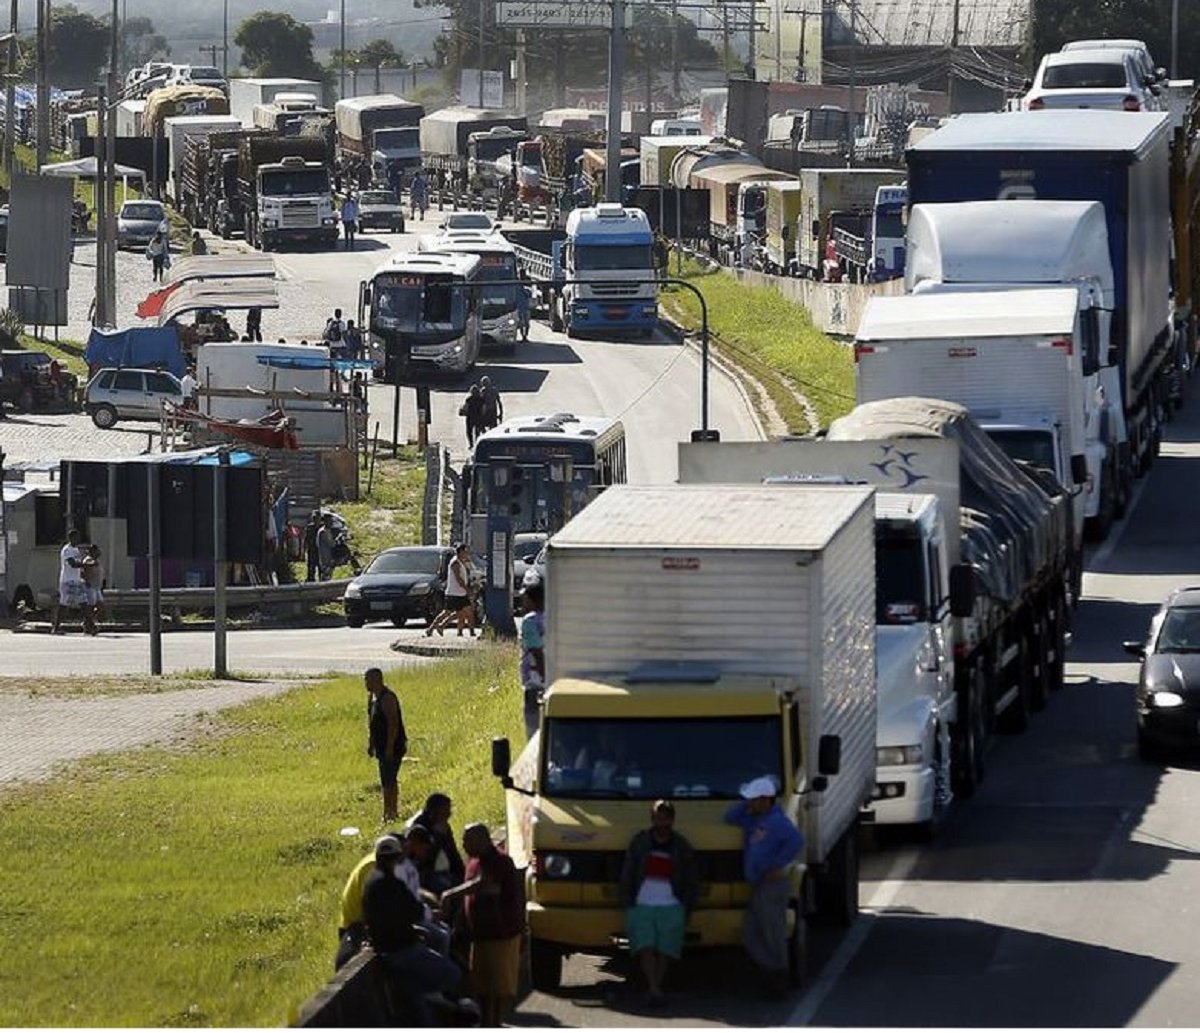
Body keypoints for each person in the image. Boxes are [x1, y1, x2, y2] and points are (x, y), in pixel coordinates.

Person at [362, 834, 463, 1026]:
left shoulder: (371, 883)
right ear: (398, 857)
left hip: (385, 949)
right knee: (452, 974)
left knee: (416, 1001)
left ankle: (423, 998)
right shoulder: (393, 884)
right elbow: (413, 911)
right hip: (402, 948)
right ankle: (431, 994)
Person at [724, 775, 804, 998]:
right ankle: (775, 970)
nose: (749, 803)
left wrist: (779, 865)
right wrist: (746, 803)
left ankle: (780, 977)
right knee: (751, 934)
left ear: (766, 800)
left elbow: (796, 841)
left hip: (773, 884)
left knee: (773, 933)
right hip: (759, 885)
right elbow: (729, 816)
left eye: (754, 799)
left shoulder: (778, 822)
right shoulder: (754, 819)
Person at [440, 823, 524, 1028]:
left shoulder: (499, 861)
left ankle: (493, 1023)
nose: (463, 843)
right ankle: (488, 1023)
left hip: (500, 933)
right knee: (483, 986)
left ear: (481, 840)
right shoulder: (474, 861)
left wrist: (450, 894)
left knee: (497, 987)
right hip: (481, 934)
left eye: (467, 839)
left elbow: (486, 885)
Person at [619, 800, 700, 1008]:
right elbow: (628, 871)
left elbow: (691, 877)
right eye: (658, 818)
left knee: (665, 948)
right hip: (642, 902)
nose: (661, 822)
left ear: (672, 820)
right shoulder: (640, 842)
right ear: (652, 819)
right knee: (645, 946)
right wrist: (627, 899)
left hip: (671, 904)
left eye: (666, 818)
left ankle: (656, 987)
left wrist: (687, 904)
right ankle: (654, 988)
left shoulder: (681, 845)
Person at [366, 667, 407, 823]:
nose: (366, 683)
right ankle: (387, 811)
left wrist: (390, 746)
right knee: (384, 779)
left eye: (369, 680)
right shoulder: (372, 698)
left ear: (378, 680)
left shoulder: (387, 698)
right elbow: (371, 721)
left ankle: (392, 811)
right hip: (381, 745)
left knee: (390, 778)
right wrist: (371, 743)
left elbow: (393, 724)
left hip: (393, 745)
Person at [409, 793, 466, 895]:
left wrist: (463, 875)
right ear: (433, 812)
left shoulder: (442, 825)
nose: (449, 814)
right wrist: (438, 837)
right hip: (419, 874)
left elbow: (453, 854)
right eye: (446, 811)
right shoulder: (417, 829)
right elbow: (424, 859)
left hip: (436, 870)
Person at [427, 544, 476, 638]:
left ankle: (462, 632)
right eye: (465, 552)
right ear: (461, 552)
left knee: (465, 613)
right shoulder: (455, 563)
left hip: (461, 593)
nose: (467, 554)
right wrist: (468, 590)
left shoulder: (462, 562)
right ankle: (431, 628)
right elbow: (459, 579)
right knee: (447, 612)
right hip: (454, 593)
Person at [520, 581, 546, 740]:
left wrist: (543, 672)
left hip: (534, 680)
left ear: (533, 600)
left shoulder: (529, 621)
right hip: (552, 678)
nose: (523, 602)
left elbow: (536, 650)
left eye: (526, 598)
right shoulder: (551, 617)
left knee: (533, 729)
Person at [50, 529, 87, 635]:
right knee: (64, 604)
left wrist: (82, 574)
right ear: (70, 538)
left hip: (76, 580)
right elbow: (72, 564)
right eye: (75, 537)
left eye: (78, 537)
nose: (78, 539)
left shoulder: (76, 550)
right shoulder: (67, 550)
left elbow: (78, 566)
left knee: (83, 602)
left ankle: (89, 625)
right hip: (67, 581)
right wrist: (86, 565)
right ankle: (56, 627)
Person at [80, 544, 105, 636]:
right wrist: (86, 581)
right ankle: (90, 625)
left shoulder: (96, 560)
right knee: (90, 607)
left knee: (100, 606)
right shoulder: (88, 560)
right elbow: (83, 572)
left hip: (97, 586)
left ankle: (87, 622)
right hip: (90, 587)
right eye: (96, 551)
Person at [316, 513, 336, 580]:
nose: (331, 523)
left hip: (329, 557)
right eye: (330, 521)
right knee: (326, 576)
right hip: (325, 558)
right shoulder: (323, 532)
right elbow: (331, 544)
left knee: (329, 575)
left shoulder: (328, 531)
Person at [304, 509, 321, 582]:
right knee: (311, 567)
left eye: (317, 518)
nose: (316, 520)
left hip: (320, 551)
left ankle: (322, 580)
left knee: (321, 567)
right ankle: (311, 579)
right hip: (312, 550)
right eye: (314, 518)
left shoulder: (322, 527)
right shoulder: (309, 528)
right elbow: (306, 539)